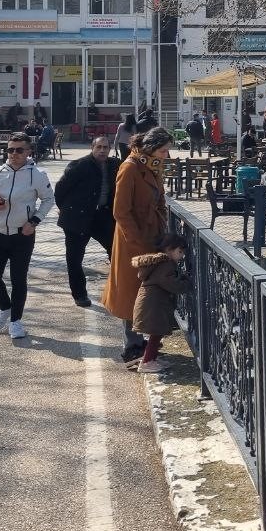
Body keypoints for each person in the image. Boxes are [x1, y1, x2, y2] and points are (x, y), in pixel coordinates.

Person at [103, 127, 173, 364]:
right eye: (164, 151)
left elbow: (160, 200)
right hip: (131, 242)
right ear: (152, 148)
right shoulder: (130, 167)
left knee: (144, 290)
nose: (167, 155)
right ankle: (131, 345)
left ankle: (139, 340)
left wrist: (161, 227)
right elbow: (120, 211)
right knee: (130, 292)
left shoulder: (151, 165)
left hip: (151, 236)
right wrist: (138, 241)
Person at [0, 133, 55, 339]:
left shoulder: (37, 174)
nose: (14, 154)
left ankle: (16, 321)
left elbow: (48, 199)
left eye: (19, 150)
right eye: (11, 150)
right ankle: (5, 308)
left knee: (18, 279)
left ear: (29, 151)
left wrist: (34, 222)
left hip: (23, 233)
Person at [54, 137, 120, 306]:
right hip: (78, 217)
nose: (102, 150)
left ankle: (118, 289)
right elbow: (60, 189)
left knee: (116, 251)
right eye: (99, 147)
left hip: (102, 216)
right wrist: (66, 209)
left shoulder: (115, 165)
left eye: (106, 147)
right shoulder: (79, 165)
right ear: (92, 148)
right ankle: (79, 294)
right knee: (74, 258)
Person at [130, 234, 190, 374]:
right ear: (169, 250)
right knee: (156, 334)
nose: (181, 256)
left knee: (156, 334)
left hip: (152, 304)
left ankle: (152, 358)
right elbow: (172, 284)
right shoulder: (165, 265)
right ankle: (147, 362)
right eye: (179, 252)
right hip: (153, 306)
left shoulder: (160, 263)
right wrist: (187, 282)